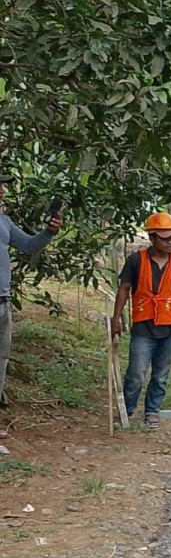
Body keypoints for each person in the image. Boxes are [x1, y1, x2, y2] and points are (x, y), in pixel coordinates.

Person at [111, 213, 171, 429]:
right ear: (152, 237)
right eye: (165, 238)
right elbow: (124, 289)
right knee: (136, 374)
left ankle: (152, 411)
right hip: (143, 329)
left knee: (161, 375)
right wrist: (116, 318)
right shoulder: (136, 260)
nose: (169, 242)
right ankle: (126, 410)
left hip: (170, 328)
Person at [0, 173, 63, 440]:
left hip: (3, 303)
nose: (2, 191)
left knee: (0, 362)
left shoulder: (4, 221)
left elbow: (28, 245)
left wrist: (49, 231)